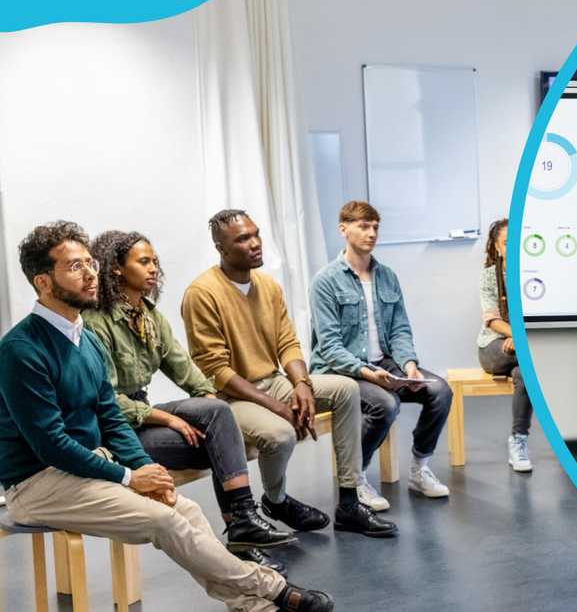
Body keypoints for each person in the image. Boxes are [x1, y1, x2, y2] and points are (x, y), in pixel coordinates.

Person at [0, 221, 333, 612]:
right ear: (42, 282)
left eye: (90, 262)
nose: (91, 273)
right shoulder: (21, 349)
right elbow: (50, 444)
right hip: (36, 483)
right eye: (74, 267)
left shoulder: (85, 339)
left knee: (184, 509)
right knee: (166, 522)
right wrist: (128, 476)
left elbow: (111, 419)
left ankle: (252, 605)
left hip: (85, 469)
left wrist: (147, 472)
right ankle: (272, 587)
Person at [84, 230, 295, 574]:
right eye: (143, 261)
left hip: (143, 420)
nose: (153, 269)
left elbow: (186, 369)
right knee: (220, 440)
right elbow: (106, 403)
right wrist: (167, 419)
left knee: (219, 428)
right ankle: (242, 527)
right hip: (115, 432)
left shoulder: (149, 317)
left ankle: (241, 527)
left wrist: (212, 399)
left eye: (155, 261)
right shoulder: (97, 323)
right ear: (117, 269)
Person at [181, 209, 396, 538]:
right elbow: (216, 371)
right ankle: (276, 500)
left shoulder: (267, 286)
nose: (255, 244)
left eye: (256, 235)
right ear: (221, 248)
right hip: (230, 397)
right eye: (242, 239)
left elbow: (288, 343)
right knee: (280, 433)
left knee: (345, 389)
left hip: (273, 382)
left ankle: (350, 503)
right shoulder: (202, 294)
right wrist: (275, 405)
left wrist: (302, 384)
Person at [309, 201, 453, 507]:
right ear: (343, 229)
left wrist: (409, 365)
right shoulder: (325, 281)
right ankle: (356, 478)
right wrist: (367, 373)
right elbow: (330, 347)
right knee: (386, 404)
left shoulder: (387, 276)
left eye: (375, 226)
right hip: (341, 370)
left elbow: (400, 329)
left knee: (440, 391)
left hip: (384, 363)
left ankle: (420, 468)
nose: (371, 233)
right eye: (363, 226)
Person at [476, 219, 532, 472]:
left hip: (524, 350)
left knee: (525, 373)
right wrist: (520, 337)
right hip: (494, 348)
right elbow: (492, 320)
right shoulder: (489, 276)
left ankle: (518, 440)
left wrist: (522, 340)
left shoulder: (534, 274)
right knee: (533, 360)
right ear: (497, 247)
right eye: (507, 242)